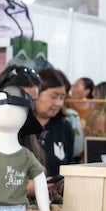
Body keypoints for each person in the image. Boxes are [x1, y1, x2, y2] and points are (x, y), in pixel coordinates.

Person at [31, 68, 76, 201]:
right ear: (36, 93)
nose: (58, 103)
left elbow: (69, 164)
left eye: (62, 98)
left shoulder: (64, 127)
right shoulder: (20, 126)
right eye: (54, 96)